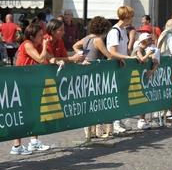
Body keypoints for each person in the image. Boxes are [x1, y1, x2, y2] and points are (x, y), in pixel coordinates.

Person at [11, 24, 64, 155]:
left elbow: (48, 57)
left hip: (31, 82)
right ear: (32, 37)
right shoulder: (27, 44)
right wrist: (45, 46)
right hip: (21, 82)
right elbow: (40, 59)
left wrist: (57, 62)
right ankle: (16, 146)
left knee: (33, 111)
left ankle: (33, 141)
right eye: (40, 35)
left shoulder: (38, 45)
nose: (43, 37)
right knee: (21, 113)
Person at [73, 16, 124, 138]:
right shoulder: (97, 40)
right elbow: (109, 55)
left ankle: (89, 132)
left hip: (86, 73)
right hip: (95, 74)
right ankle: (99, 131)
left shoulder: (87, 38)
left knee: (90, 102)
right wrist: (121, 58)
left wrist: (82, 56)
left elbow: (75, 46)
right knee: (98, 102)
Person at [106, 5, 150, 131]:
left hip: (122, 65)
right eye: (131, 16)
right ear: (127, 17)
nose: (133, 19)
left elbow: (124, 49)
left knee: (123, 94)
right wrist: (127, 58)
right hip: (115, 66)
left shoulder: (123, 30)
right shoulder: (114, 31)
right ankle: (115, 122)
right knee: (117, 94)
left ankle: (118, 120)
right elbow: (112, 52)